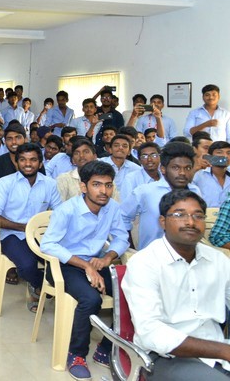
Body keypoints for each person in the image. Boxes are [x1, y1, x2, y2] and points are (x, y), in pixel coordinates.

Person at [123, 189, 230, 380]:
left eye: (198, 216)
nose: (190, 222)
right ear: (162, 222)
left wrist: (222, 350)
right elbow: (151, 333)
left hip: (217, 349)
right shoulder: (144, 263)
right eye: (180, 215)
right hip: (166, 356)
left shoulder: (218, 260)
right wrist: (222, 350)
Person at [39, 160, 129, 379]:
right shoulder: (67, 210)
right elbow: (48, 244)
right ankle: (76, 354)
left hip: (96, 262)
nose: (104, 191)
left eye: (108, 185)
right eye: (97, 184)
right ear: (83, 187)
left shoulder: (112, 208)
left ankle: (106, 349)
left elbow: (122, 236)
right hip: (64, 265)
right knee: (91, 299)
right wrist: (86, 265)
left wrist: (108, 257)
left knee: (129, 292)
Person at [0, 143, 61, 299]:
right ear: (17, 162)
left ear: (40, 163)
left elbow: (60, 213)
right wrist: (24, 228)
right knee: (27, 265)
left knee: (62, 262)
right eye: (23, 160)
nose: (28, 164)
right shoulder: (5, 183)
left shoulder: (50, 184)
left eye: (33, 160)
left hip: (41, 235)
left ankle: (48, 288)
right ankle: (42, 287)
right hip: (11, 235)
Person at [122, 142, 201, 250]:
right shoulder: (145, 191)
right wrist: (129, 247)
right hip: (152, 257)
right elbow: (122, 217)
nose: (182, 173)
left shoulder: (195, 191)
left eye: (187, 168)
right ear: (163, 169)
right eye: (176, 168)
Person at [192, 141, 230, 207]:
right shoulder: (198, 175)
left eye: (229, 153)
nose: (225, 156)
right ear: (210, 156)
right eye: (219, 152)